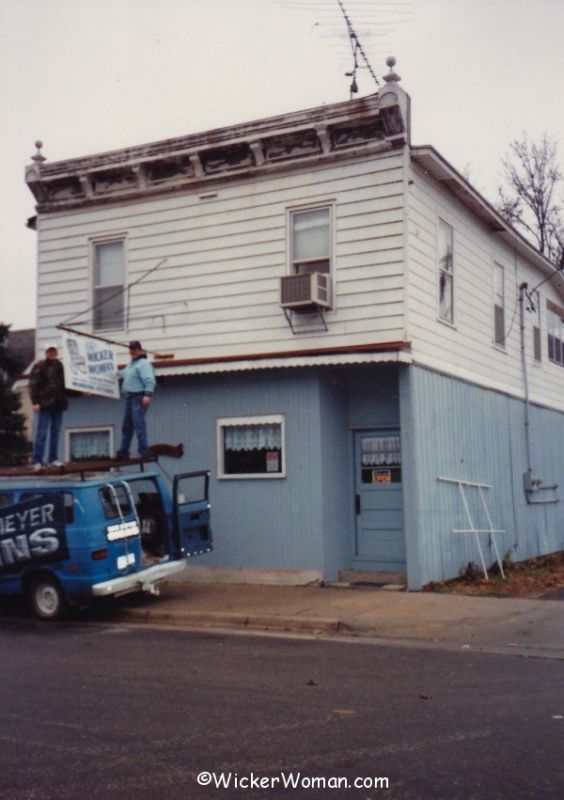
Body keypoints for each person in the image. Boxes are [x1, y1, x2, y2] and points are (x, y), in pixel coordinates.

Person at [29, 343, 68, 470]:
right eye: (49, 351)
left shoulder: (60, 366)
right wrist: (35, 402)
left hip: (58, 404)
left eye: (54, 351)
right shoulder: (39, 366)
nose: (52, 353)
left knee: (55, 432)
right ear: (46, 353)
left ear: (56, 352)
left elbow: (66, 386)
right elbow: (33, 385)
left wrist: (81, 392)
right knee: (42, 433)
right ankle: (37, 461)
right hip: (45, 404)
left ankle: (53, 458)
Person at [116, 341, 156, 459]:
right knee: (127, 426)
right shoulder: (131, 364)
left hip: (138, 397)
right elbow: (123, 373)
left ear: (140, 350)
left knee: (139, 424)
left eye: (135, 349)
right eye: (131, 349)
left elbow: (150, 380)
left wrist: (147, 394)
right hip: (129, 398)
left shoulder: (143, 364)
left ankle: (143, 451)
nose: (133, 351)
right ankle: (123, 452)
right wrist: (113, 373)